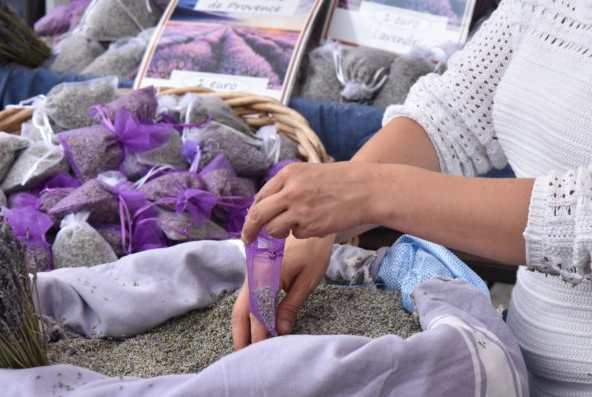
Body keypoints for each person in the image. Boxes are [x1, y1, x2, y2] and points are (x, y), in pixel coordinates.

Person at [232, 0, 592, 395]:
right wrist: (320, 229)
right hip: (515, 363)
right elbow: (452, 115)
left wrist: (368, 192)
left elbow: (580, 220)